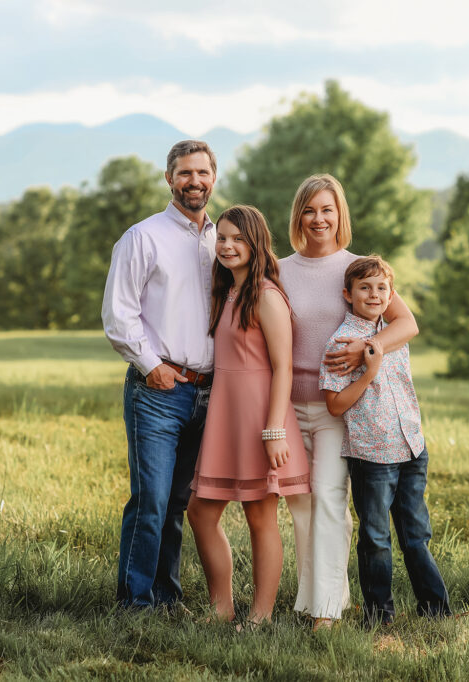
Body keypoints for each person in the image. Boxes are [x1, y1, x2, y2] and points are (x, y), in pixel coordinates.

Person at [279, 174, 420, 630]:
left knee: (330, 501)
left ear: (340, 214)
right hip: (286, 408)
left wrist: (365, 349)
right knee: (300, 507)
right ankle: (322, 595)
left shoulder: (358, 268)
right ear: (298, 215)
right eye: (309, 210)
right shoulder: (279, 269)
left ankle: (325, 614)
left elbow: (406, 324)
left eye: (327, 210)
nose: (318, 219)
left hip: (335, 410)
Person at [101, 140, 217, 609]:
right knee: (150, 501)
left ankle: (167, 597)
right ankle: (135, 603)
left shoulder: (220, 238)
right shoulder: (142, 237)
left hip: (207, 392)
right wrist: (153, 368)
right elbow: (118, 315)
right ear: (169, 179)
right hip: (158, 390)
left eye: (202, 173)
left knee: (176, 504)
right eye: (185, 173)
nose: (194, 181)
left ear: (214, 178)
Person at [187, 205, 310, 627]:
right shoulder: (228, 292)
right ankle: (221, 608)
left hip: (261, 419)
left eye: (238, 238)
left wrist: (274, 430)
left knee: (260, 516)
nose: (227, 246)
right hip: (226, 418)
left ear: (255, 242)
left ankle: (260, 616)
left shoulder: (267, 295)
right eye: (221, 238)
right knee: (201, 510)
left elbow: (284, 367)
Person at [320, 255, 451, 626]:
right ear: (348, 294)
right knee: (376, 537)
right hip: (373, 455)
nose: (374, 294)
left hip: (411, 446)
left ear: (391, 293)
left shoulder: (392, 332)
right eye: (365, 287)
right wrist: (368, 371)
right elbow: (334, 405)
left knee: (416, 533)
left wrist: (374, 351)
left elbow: (408, 328)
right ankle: (379, 616)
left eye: (382, 288)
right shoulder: (340, 343)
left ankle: (435, 610)